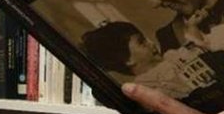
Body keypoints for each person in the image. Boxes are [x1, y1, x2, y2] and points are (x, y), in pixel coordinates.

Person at [81, 21, 216, 99]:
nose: (151, 43)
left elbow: (198, 48)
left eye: (146, 38)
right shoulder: (146, 88)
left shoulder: (170, 56)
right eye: (142, 42)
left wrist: (192, 28)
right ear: (127, 60)